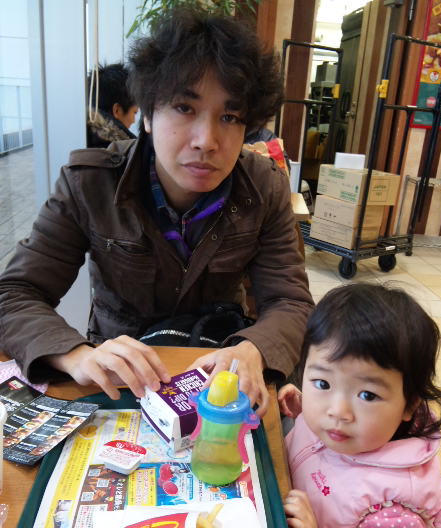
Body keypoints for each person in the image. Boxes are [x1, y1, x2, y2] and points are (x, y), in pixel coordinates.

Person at [0, 8, 313, 418]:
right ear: (147, 114)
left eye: (230, 116)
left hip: (218, 375)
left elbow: (290, 300)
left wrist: (254, 347)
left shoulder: (264, 187)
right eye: (184, 107)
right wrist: (74, 354)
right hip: (119, 380)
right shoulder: (90, 184)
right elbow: (14, 294)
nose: (206, 140)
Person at [279, 283, 441, 528]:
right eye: (322, 383)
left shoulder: (397, 513)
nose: (338, 412)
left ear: (408, 405)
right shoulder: (338, 427)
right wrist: (303, 405)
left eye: (367, 395)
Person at [86, 63, 138, 148]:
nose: (134, 120)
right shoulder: (123, 151)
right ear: (117, 110)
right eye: (134, 112)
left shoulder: (79, 138)